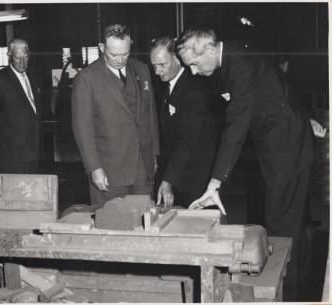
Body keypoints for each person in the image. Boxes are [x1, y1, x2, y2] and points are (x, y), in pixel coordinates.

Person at [177, 27, 314, 300]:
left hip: (286, 148)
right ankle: (295, 287)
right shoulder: (227, 60)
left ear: (209, 49)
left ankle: (287, 294)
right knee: (286, 220)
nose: (192, 72)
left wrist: (215, 183)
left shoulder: (240, 65)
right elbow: (274, 86)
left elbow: (236, 125)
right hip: (279, 140)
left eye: (193, 64)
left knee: (281, 225)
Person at [72, 24, 159, 206]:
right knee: (113, 225)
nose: (120, 59)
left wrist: (154, 154)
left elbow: (150, 115)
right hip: (109, 170)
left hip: (143, 167)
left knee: (144, 223)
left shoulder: (142, 70)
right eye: (114, 54)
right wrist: (94, 168)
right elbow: (83, 129)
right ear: (102, 48)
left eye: (125, 53)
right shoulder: (86, 79)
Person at [149, 37, 217, 208]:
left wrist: (167, 182)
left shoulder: (193, 90)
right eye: (154, 65)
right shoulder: (172, 84)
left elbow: (186, 142)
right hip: (181, 173)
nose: (157, 72)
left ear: (177, 60)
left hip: (196, 177)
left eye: (162, 65)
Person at [0, 38, 41, 174]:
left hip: (32, 150)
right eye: (18, 57)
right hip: (10, 153)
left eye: (25, 57)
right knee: (14, 193)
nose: (22, 62)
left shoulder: (31, 76)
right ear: (9, 55)